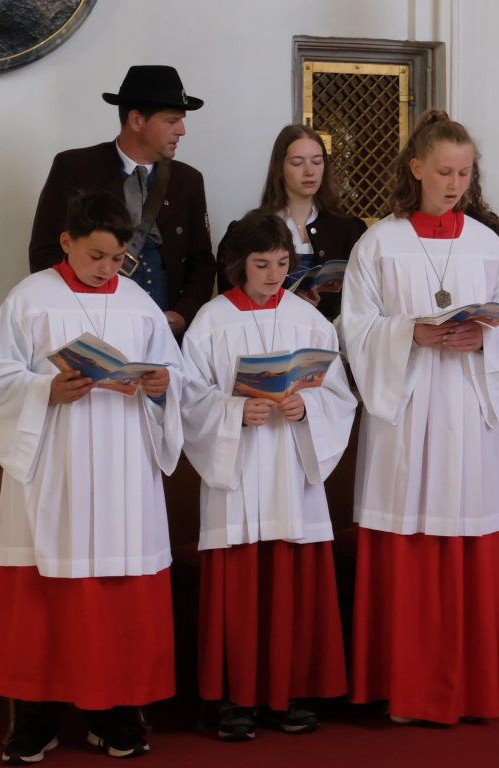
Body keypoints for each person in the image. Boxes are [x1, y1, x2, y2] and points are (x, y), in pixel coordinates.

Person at [0, 190, 184, 762]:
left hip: (124, 471)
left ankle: (115, 714)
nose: (107, 269)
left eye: (117, 259)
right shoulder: (30, 299)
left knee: (120, 592)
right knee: (45, 594)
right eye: (95, 256)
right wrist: (45, 389)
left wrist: (163, 384)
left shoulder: (139, 304)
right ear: (67, 242)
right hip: (55, 467)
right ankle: (34, 720)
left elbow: (176, 374)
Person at [341, 110, 499, 725]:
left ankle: (472, 689)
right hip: (408, 411)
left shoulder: (488, 245)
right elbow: (356, 330)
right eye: (445, 172)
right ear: (417, 168)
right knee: (408, 539)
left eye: (465, 173)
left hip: (468, 413)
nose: (455, 185)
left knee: (470, 530)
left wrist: (486, 339)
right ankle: (407, 687)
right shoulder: (379, 244)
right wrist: (411, 334)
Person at [181, 211, 356, 740]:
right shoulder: (211, 321)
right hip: (238, 475)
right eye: (262, 265)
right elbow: (189, 400)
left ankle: (290, 693)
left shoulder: (310, 321)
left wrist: (308, 409)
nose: (274, 275)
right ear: (239, 264)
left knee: (293, 582)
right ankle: (233, 700)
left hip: (291, 470)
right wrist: (234, 412)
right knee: (239, 586)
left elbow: (339, 395)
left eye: (283, 264)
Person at [29, 65, 216, 335]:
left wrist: (184, 314)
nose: (182, 130)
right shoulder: (75, 169)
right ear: (137, 120)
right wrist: (79, 314)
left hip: (164, 335)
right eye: (171, 121)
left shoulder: (188, 180)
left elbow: (202, 261)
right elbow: (45, 254)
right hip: (90, 329)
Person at [216, 124, 367, 320]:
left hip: (331, 334)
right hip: (266, 333)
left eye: (317, 161)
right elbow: (229, 304)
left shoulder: (349, 229)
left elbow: (363, 302)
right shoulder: (248, 232)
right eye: (297, 163)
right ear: (279, 168)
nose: (309, 171)